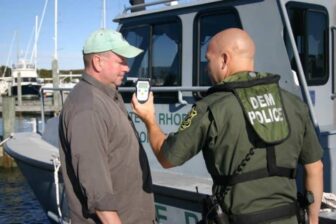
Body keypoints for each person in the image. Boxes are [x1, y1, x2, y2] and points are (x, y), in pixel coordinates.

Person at [131, 28, 323, 224]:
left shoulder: (210, 107)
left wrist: (149, 119)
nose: (206, 67)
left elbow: (167, 158)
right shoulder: (294, 104)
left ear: (224, 59)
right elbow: (315, 168)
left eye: (208, 59)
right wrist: (313, 218)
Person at [59, 29, 156, 224]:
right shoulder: (89, 108)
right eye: (121, 61)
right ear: (97, 62)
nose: (127, 68)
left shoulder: (107, 96)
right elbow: (98, 194)